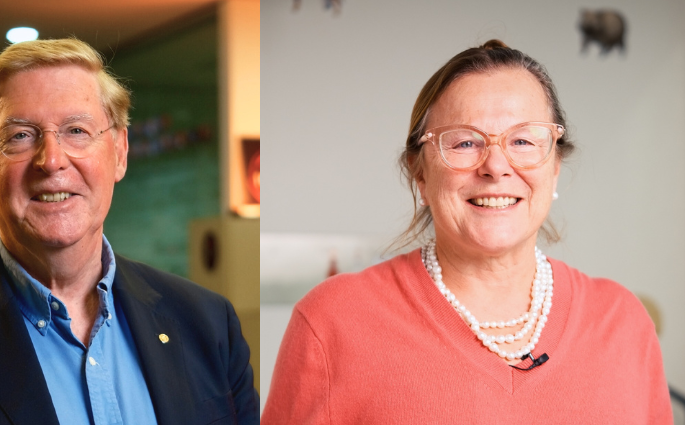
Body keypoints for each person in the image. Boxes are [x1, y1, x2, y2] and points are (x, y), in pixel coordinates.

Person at [0, 38, 259, 425]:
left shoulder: (207, 323)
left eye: (76, 131)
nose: (51, 160)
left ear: (120, 152)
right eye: (21, 136)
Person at [262, 40, 671, 424]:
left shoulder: (623, 322)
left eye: (524, 140)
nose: (496, 165)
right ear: (419, 174)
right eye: (463, 144)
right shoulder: (332, 323)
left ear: (555, 166)